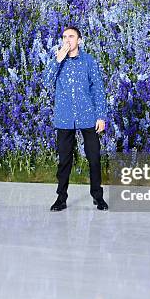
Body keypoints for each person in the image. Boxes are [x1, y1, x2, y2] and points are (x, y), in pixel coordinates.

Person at [43, 26, 108, 212]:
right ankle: (61, 199)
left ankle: (98, 197)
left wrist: (101, 116)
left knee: (94, 158)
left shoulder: (89, 61)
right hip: (64, 118)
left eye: (71, 36)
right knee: (64, 160)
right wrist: (57, 60)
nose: (67, 40)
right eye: (64, 37)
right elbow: (46, 82)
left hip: (88, 116)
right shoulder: (57, 60)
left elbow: (98, 89)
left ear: (79, 40)